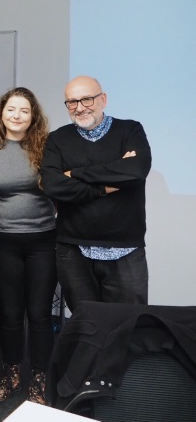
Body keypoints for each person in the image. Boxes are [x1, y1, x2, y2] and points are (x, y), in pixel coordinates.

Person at [40, 76, 151, 312]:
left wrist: (75, 173)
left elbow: (136, 170)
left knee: (127, 325)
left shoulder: (130, 130)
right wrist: (105, 185)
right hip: (73, 249)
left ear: (103, 99)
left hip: (126, 248)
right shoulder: (57, 139)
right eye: (72, 102)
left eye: (87, 99)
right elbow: (52, 185)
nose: (79, 107)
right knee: (86, 326)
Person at [0, 88, 57, 406]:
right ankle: (10, 376)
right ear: (2, 112)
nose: (17, 116)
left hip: (43, 242)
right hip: (3, 241)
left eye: (24, 110)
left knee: (38, 314)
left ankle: (38, 380)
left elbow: (62, 186)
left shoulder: (47, 148)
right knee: (9, 314)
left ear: (33, 115)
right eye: (11, 109)